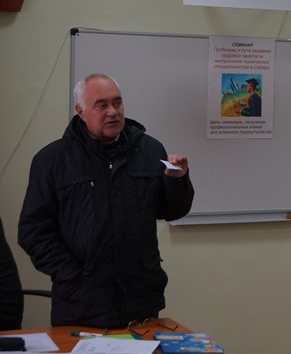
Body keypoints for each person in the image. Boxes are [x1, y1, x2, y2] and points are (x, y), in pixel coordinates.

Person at [18, 73, 194, 328]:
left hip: (140, 301)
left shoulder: (150, 150)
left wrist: (176, 182)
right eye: (102, 105)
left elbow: (172, 211)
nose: (113, 112)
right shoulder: (53, 160)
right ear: (81, 111)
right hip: (80, 304)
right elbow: (33, 232)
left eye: (117, 102)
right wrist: (73, 276)